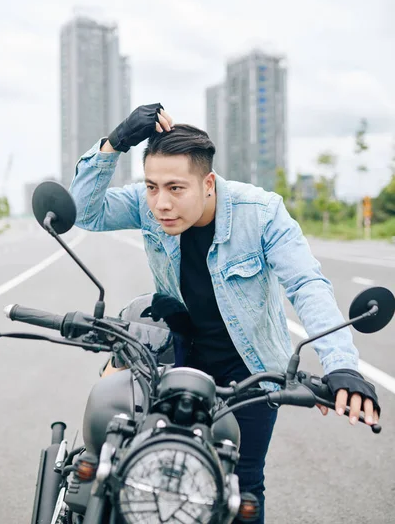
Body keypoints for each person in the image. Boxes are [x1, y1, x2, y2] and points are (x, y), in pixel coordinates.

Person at [69, 103, 380, 523]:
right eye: (152, 187)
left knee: (242, 485)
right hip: (174, 358)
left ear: (208, 183)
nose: (161, 203)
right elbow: (84, 210)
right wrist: (115, 142)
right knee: (145, 471)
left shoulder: (263, 212)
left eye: (176, 188)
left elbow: (307, 285)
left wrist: (343, 367)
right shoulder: (149, 205)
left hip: (249, 371)